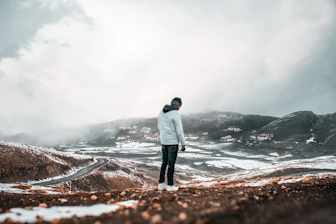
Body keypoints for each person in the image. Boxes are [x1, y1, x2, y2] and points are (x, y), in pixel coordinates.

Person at [157, 97, 186, 191]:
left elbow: (159, 126)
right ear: (177, 106)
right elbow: (179, 130)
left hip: (164, 141)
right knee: (171, 164)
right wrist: (183, 143)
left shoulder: (161, 112)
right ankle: (170, 185)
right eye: (179, 106)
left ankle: (161, 184)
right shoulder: (176, 113)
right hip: (173, 142)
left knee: (164, 163)